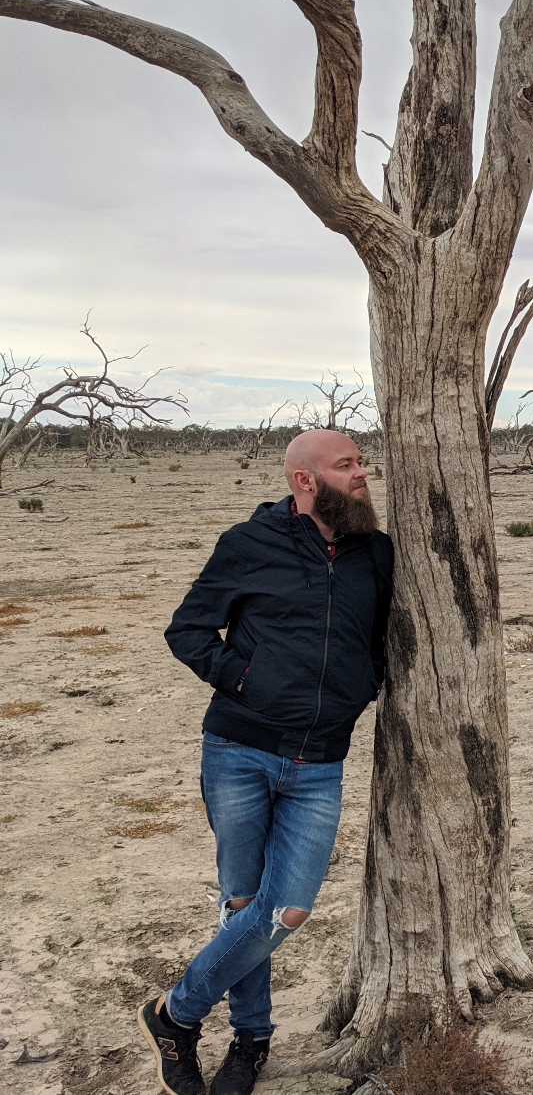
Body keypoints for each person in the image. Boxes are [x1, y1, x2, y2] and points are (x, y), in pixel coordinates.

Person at [139, 430, 392, 1095]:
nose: (362, 475)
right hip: (238, 752)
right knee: (244, 903)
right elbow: (187, 630)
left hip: (318, 764)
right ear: (304, 480)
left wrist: (360, 686)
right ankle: (252, 1043)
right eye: (347, 465)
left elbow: (384, 640)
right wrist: (246, 679)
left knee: (287, 911)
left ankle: (175, 1014)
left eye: (360, 462)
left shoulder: (377, 553)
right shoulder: (247, 545)